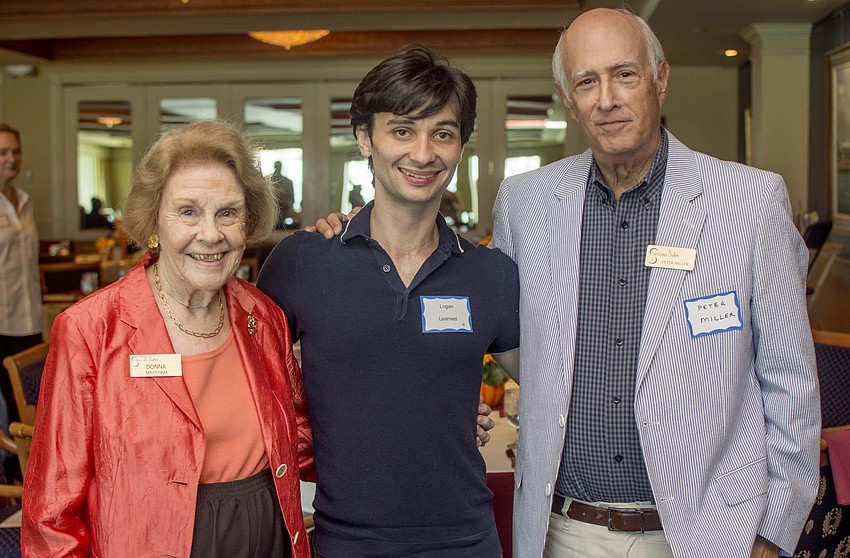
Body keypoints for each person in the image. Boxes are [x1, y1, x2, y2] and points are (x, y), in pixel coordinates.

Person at [492, 8, 819, 558]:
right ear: (568, 98)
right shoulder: (526, 202)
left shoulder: (750, 201)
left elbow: (792, 389)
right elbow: (506, 330)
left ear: (660, 78)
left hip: (714, 537)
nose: (607, 99)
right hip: (564, 532)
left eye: (625, 74)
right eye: (586, 82)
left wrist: (771, 538)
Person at [257, 46, 520, 558]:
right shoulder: (302, 262)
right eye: (402, 130)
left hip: (466, 540)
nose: (422, 154)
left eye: (442, 134)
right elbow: (247, 383)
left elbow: (557, 389)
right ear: (364, 139)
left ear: (461, 146)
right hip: (343, 540)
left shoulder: (492, 273)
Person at [23, 120, 314, 557]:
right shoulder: (90, 330)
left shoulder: (263, 316)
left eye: (228, 212)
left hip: (268, 538)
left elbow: (301, 436)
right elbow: (51, 519)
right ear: (152, 221)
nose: (212, 234)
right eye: (188, 211)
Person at [0, 123, 42, 430]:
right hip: (2, 322)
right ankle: (15, 470)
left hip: (30, 320)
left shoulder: (24, 201)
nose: (11, 158)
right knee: (11, 405)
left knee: (32, 404)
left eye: (16, 151)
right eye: (2, 152)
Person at [270, 160, 295, 229]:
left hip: (284, 208)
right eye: (276, 167)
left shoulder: (288, 182)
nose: (277, 168)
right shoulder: (269, 181)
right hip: (272, 207)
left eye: (279, 167)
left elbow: (292, 198)